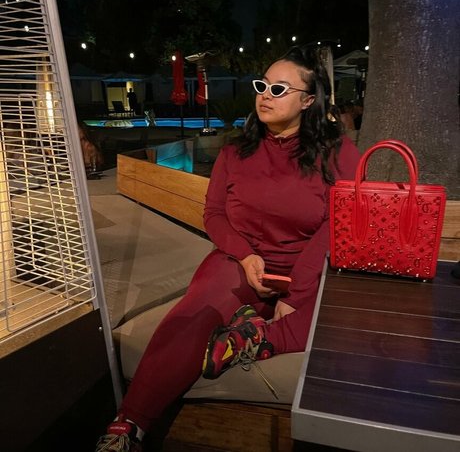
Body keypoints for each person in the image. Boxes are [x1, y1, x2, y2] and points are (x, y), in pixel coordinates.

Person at [95, 45, 361, 451]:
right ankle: (130, 423)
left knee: (348, 319)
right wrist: (245, 255)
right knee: (193, 313)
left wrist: (298, 292)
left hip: (310, 271)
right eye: (262, 86)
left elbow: (338, 224)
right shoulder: (236, 152)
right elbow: (215, 214)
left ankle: (257, 336)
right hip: (241, 262)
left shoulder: (339, 153)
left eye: (279, 89)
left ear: (308, 100)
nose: (265, 96)